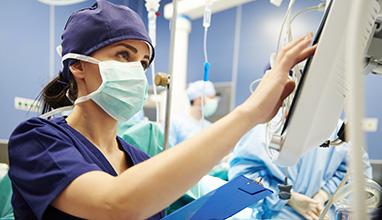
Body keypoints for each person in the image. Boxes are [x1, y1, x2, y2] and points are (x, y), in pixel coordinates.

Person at [7, 0, 317, 219]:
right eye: (123, 55)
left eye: (142, 62)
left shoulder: (138, 158)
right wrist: (248, 114)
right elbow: (115, 205)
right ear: (77, 65)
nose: (136, 70)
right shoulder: (39, 141)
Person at [229, 118, 373, 220]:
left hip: (323, 213)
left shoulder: (337, 131)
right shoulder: (267, 127)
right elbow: (244, 179)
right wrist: (288, 197)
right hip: (279, 214)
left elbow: (353, 171)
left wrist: (323, 195)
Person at [169, 80, 219, 146]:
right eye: (211, 98)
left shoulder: (209, 127)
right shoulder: (175, 121)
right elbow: (167, 152)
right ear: (198, 99)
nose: (214, 102)